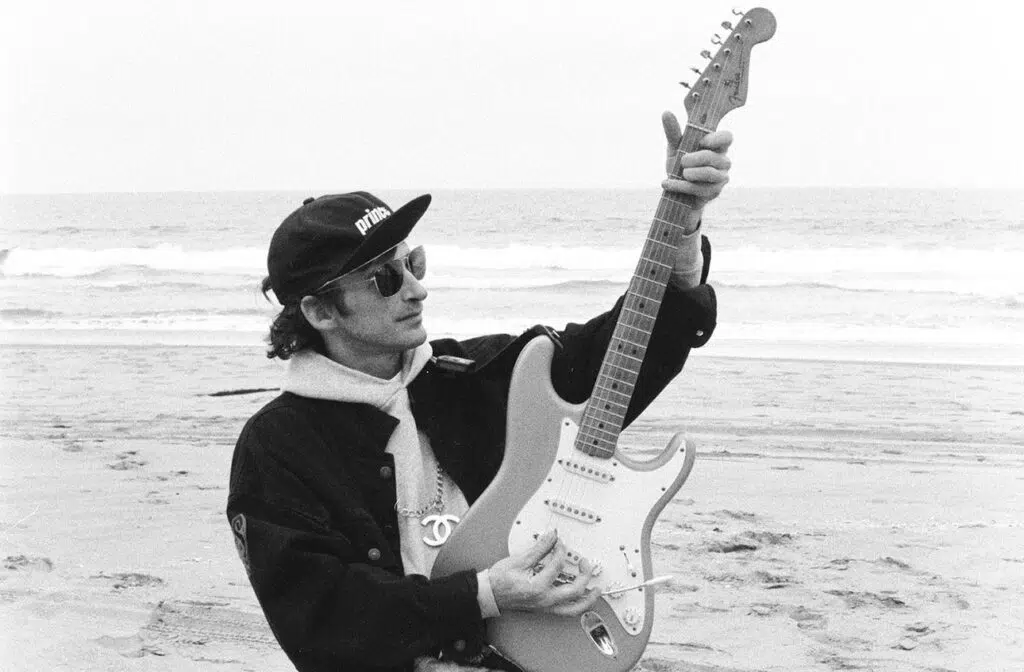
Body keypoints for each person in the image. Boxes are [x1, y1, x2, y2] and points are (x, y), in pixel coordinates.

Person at [227, 112, 732, 672]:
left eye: (411, 262)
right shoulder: (276, 447)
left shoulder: (476, 371)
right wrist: (486, 594)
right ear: (320, 311)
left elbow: (624, 353)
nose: (418, 289)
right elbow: (323, 618)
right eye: (385, 279)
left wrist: (682, 233)